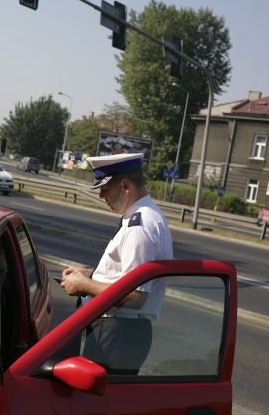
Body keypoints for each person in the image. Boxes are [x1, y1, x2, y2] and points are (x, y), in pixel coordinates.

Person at [59, 152, 174, 374]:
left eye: (105, 189)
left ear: (125, 186)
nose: (102, 196)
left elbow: (135, 296)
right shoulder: (144, 216)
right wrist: (92, 275)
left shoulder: (139, 226)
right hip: (120, 331)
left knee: (100, 405)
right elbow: (126, 276)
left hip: (119, 331)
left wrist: (84, 286)